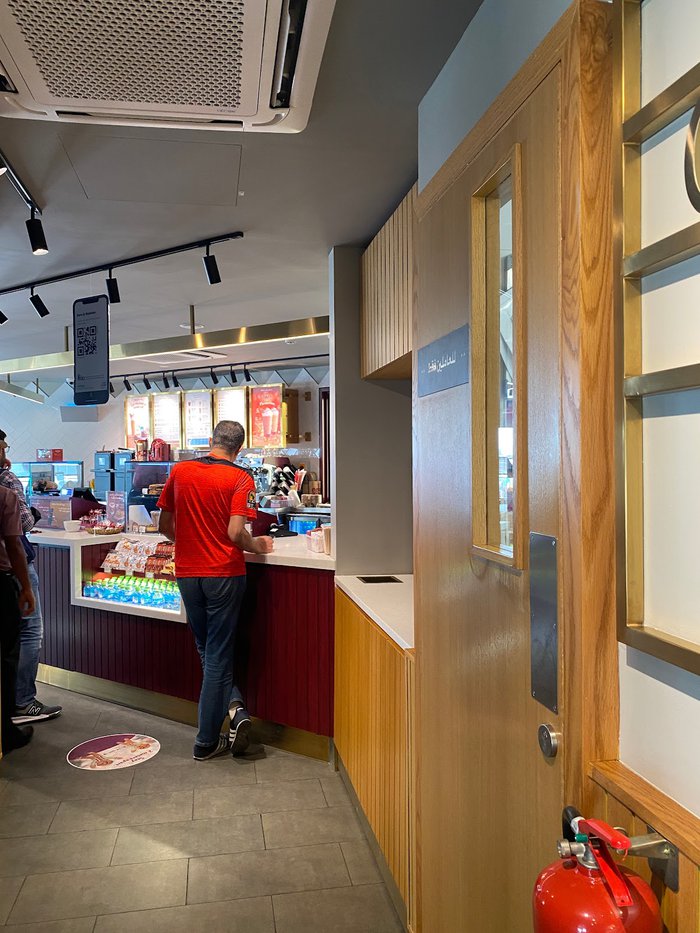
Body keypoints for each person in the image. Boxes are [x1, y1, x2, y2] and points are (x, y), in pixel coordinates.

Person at [157, 420, 274, 761]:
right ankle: (206, 741)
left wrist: (191, 542)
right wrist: (259, 546)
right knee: (219, 655)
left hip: (187, 573)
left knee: (208, 649)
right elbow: (236, 533)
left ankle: (236, 709)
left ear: (211, 440)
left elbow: (164, 525)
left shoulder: (180, 471)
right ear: (240, 448)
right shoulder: (240, 478)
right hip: (224, 573)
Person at [0, 432, 62, 723]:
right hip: (12, 569)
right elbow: (22, 527)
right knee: (29, 632)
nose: (6, 452)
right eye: (3, 447)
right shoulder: (7, 481)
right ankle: (23, 701)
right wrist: (25, 586)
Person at [0, 483, 36, 753]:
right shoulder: (5, 494)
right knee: (5, 658)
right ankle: (5, 732)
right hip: (1, 584)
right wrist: (26, 587)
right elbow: (14, 543)